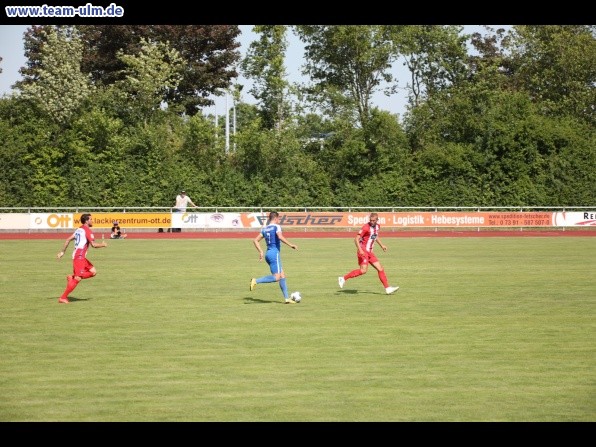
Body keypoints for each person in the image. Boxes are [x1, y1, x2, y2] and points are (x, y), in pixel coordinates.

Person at [338, 212, 399, 295]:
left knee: (380, 268)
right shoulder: (366, 227)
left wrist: (382, 245)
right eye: (371, 220)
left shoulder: (378, 226)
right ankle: (343, 278)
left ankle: (387, 288)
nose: (372, 222)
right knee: (363, 271)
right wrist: (360, 250)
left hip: (370, 252)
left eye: (374, 220)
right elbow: (356, 239)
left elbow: (375, 236)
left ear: (377, 220)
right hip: (363, 250)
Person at [56, 213, 108, 304]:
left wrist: (62, 252)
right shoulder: (87, 231)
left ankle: (72, 277)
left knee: (93, 272)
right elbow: (94, 245)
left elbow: (68, 239)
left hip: (81, 256)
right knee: (78, 278)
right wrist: (103, 245)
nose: (92, 220)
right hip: (79, 257)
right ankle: (63, 297)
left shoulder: (79, 229)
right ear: (87, 221)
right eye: (91, 219)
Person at [250, 211, 299, 304]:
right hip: (274, 254)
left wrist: (261, 251)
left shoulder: (265, 229)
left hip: (268, 254)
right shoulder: (276, 226)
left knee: (282, 275)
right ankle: (256, 281)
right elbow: (280, 237)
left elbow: (255, 240)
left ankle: (286, 298)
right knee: (277, 277)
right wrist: (291, 244)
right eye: (278, 219)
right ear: (276, 218)